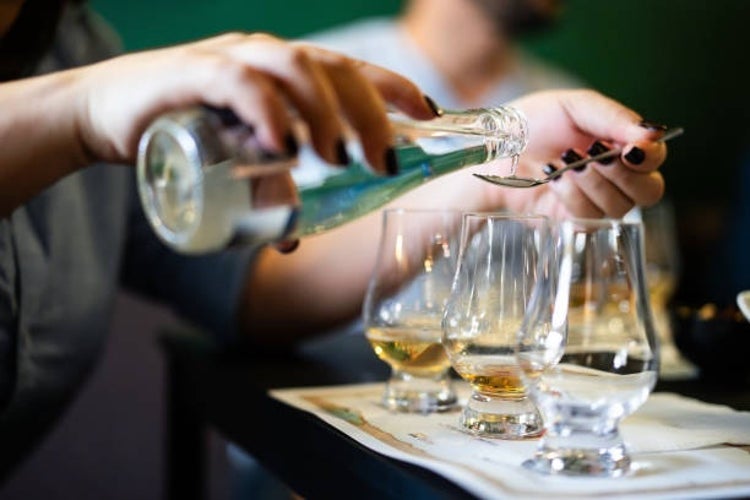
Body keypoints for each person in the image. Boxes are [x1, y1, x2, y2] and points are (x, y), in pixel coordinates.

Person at [0, 0, 669, 486]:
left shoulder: (78, 40)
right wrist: (78, 112)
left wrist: (494, 169)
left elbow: (250, 294)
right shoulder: (94, 76)